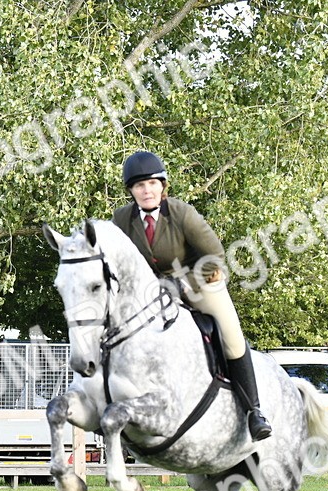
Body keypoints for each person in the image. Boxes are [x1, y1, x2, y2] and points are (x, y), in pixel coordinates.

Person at [112, 150, 271, 441]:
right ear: (131, 191)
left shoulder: (182, 213)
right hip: (151, 295)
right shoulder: (122, 219)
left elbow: (216, 256)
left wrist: (184, 284)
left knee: (231, 336)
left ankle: (254, 412)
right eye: (139, 185)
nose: (146, 190)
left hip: (199, 283)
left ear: (162, 186)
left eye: (151, 183)